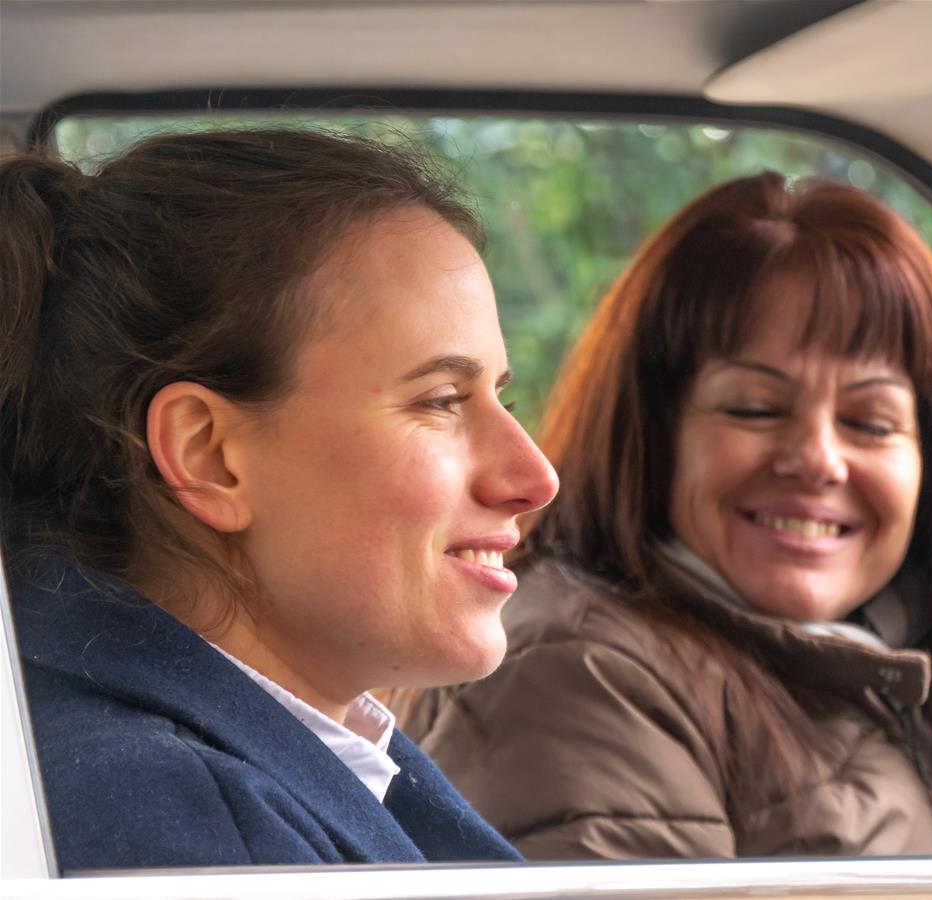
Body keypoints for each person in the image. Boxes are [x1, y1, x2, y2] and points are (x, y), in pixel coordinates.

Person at [404, 173, 932, 858]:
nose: (818, 459)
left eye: (871, 422)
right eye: (754, 408)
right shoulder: (583, 677)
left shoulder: (860, 662)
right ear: (653, 434)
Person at [0, 129, 558, 870]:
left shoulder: (234, 774)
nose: (535, 477)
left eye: (501, 399)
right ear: (208, 455)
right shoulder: (189, 824)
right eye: (441, 400)